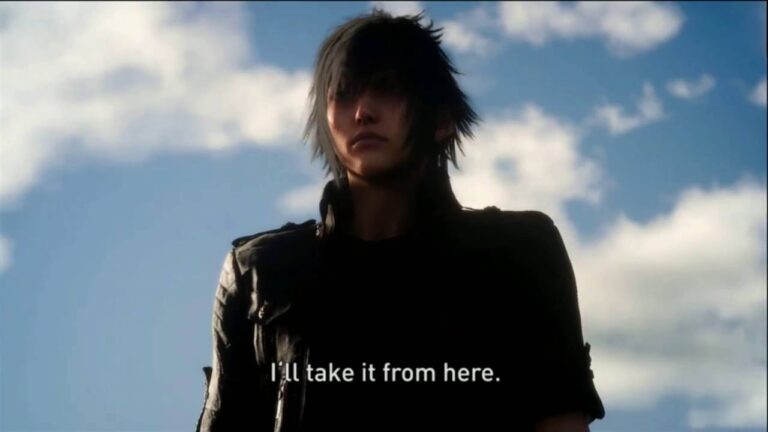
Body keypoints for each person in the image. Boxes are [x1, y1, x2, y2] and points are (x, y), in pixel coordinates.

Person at [197, 10, 604, 432]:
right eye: (343, 94)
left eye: (387, 89)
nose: (362, 112)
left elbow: (560, 420)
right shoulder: (261, 270)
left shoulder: (518, 252)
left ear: (441, 119)